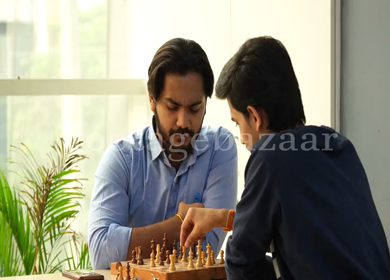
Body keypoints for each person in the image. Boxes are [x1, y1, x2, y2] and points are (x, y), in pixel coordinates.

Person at [180, 36, 390, 280]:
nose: (242, 138)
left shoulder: (270, 157)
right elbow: (302, 226)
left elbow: (240, 261)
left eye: (237, 123)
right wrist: (225, 218)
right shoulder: (337, 144)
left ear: (255, 117)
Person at [88, 38, 238, 269]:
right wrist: (180, 222)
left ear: (206, 104)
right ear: (151, 100)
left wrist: (131, 240)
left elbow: (206, 247)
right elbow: (101, 253)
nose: (183, 121)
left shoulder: (220, 148)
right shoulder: (121, 159)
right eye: (172, 107)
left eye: (194, 108)